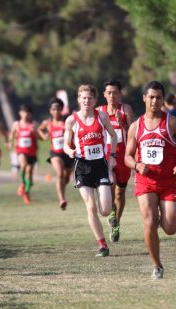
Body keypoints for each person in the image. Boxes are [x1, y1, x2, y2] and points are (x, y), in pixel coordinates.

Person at [125, 81, 176, 280]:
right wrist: (137, 165)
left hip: (168, 182)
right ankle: (157, 266)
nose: (155, 101)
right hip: (145, 181)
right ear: (144, 98)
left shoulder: (172, 123)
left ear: (163, 100)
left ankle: (159, 219)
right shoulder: (135, 127)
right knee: (149, 221)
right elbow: (127, 157)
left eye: (158, 97)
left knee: (171, 228)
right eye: (151, 97)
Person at [63, 84, 118, 257]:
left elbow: (113, 135)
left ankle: (112, 214)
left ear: (95, 100)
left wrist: (113, 155)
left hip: (100, 166)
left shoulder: (102, 116)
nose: (87, 101)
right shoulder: (71, 120)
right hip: (82, 167)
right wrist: (69, 150)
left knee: (105, 210)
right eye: (83, 98)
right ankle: (102, 245)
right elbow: (65, 144)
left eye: (90, 98)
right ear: (79, 99)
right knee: (91, 207)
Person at [98, 79, 134, 242]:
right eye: (109, 93)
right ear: (104, 94)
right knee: (110, 185)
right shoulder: (100, 111)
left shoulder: (125, 109)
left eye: (115, 92)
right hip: (106, 157)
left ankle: (116, 223)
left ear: (120, 94)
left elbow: (133, 133)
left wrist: (122, 123)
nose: (112, 96)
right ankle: (111, 212)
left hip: (123, 157)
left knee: (120, 193)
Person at [38, 97, 74, 210]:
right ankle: (62, 199)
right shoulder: (48, 123)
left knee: (66, 177)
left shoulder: (67, 122)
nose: (56, 111)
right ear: (50, 110)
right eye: (53, 109)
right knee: (59, 174)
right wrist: (44, 136)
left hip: (68, 153)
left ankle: (66, 179)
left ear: (62, 109)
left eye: (58, 109)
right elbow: (39, 129)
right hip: (55, 153)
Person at [8, 104, 39, 205]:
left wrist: (35, 132)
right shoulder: (16, 124)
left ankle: (26, 193)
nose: (25, 115)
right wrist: (10, 142)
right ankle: (22, 184)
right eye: (23, 112)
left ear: (30, 114)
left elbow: (39, 137)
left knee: (29, 175)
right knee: (23, 165)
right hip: (21, 151)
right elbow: (12, 134)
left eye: (27, 113)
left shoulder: (33, 124)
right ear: (20, 113)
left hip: (32, 152)